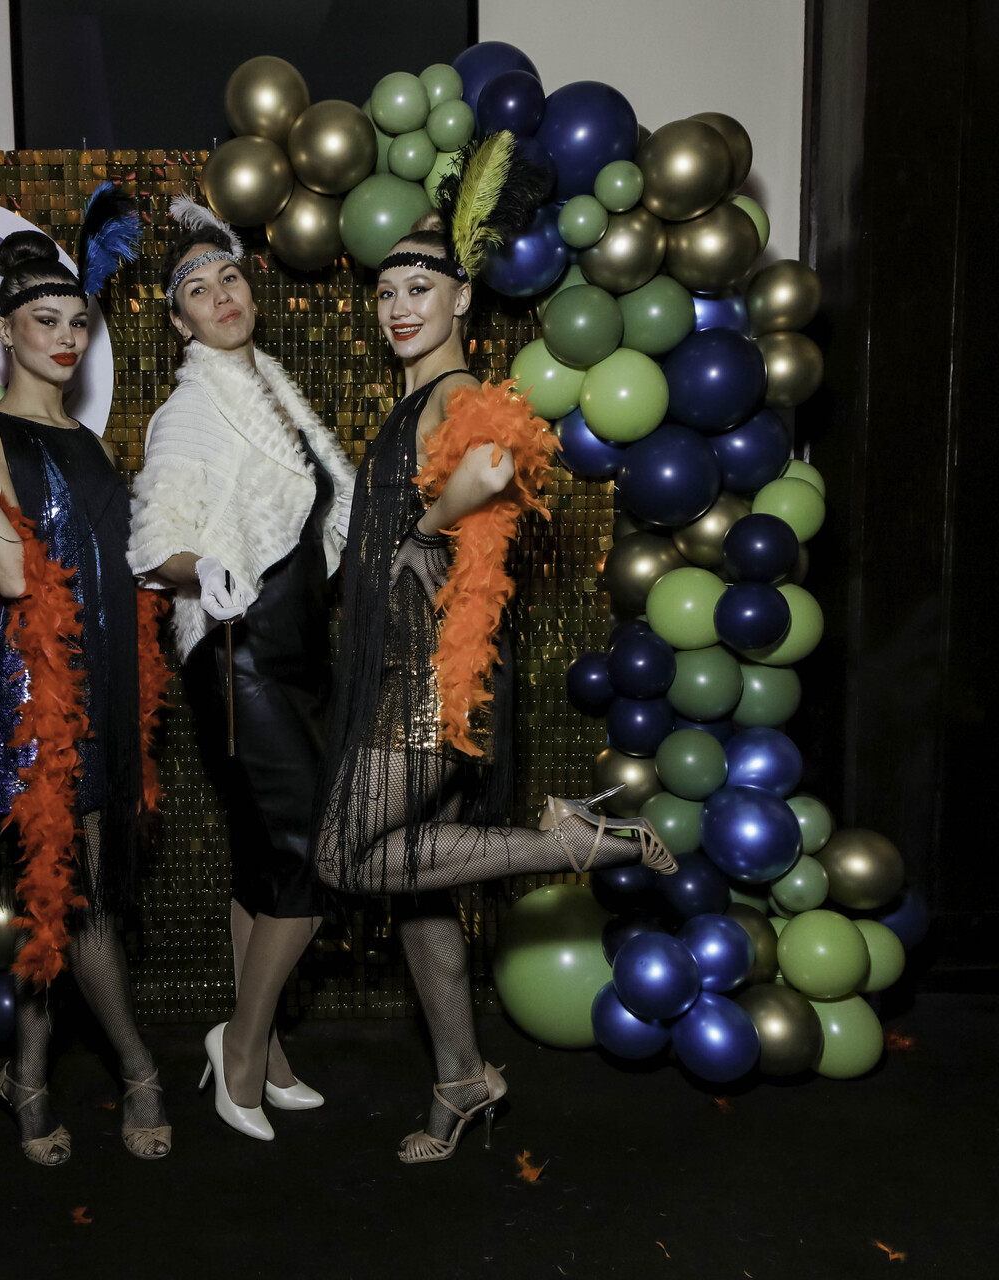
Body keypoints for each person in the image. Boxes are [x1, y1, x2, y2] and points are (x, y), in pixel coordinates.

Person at [313, 134, 673, 1164]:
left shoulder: (453, 391)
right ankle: (463, 1078)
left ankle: (582, 842)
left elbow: (489, 464)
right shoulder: (413, 396)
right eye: (387, 291)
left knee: (344, 852)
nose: (399, 306)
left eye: (420, 288)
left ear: (463, 298)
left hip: (432, 675)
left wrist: (423, 529)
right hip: (407, 663)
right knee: (419, 888)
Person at [0, 190, 172, 1165]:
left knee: (60, 894)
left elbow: (115, 567)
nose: (65, 338)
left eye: (77, 322)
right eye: (44, 321)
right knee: (64, 886)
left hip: (103, 680)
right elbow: (14, 574)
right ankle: (138, 1069)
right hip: (34, 689)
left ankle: (26, 1075)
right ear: (4, 331)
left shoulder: (89, 439)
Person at [128, 199, 357, 1142]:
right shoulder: (191, 410)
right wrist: (205, 568)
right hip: (240, 656)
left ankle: (268, 1049)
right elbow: (155, 545)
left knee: (266, 860)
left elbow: (320, 520)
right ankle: (243, 1052)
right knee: (312, 855)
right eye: (198, 290)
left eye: (229, 278)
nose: (220, 296)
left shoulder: (273, 392)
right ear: (179, 322)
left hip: (301, 652)